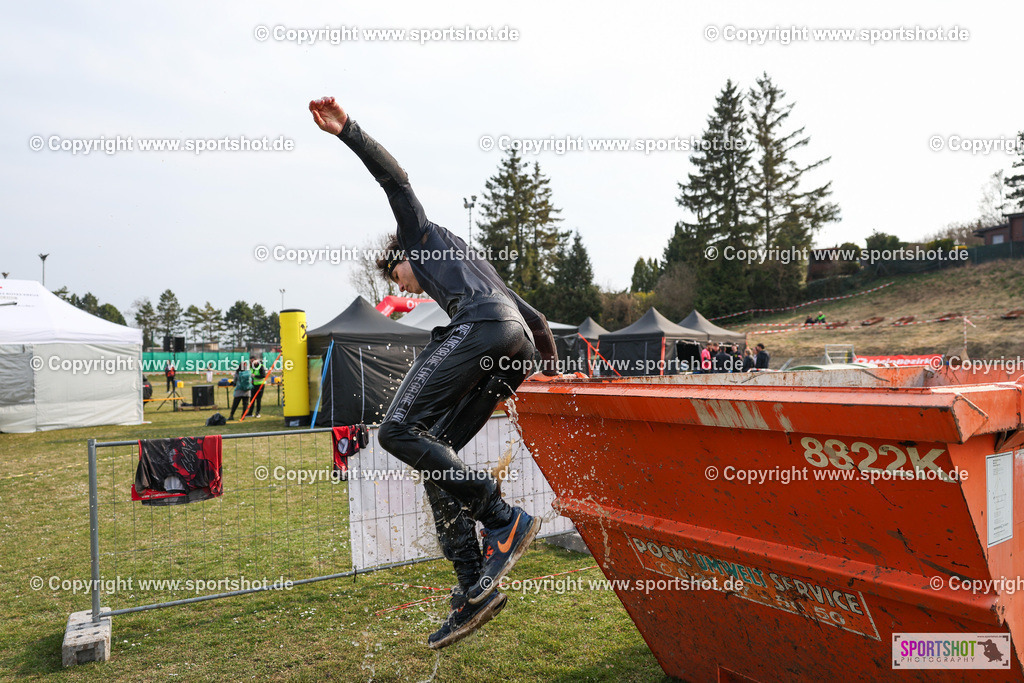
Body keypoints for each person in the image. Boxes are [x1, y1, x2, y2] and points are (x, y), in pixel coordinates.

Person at [310, 96, 559, 649]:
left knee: (397, 431)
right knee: (434, 453)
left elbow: (396, 182)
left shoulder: (419, 237)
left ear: (403, 253)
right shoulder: (476, 264)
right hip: (513, 344)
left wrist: (348, 130)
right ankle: (473, 585)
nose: (401, 286)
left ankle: (502, 518)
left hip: (487, 330)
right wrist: (552, 381)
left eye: (395, 274)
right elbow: (538, 323)